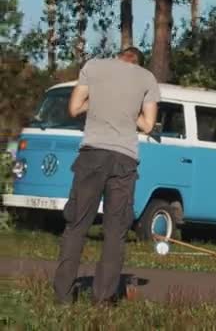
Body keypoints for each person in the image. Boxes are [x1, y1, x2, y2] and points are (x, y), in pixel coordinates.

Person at [53, 47, 160, 305]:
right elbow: (147, 124)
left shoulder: (94, 66)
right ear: (137, 62)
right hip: (124, 160)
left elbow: (74, 108)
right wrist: (128, 110)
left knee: (77, 226)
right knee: (115, 231)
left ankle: (63, 297)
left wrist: (99, 100)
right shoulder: (147, 78)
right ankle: (102, 300)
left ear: (118, 56)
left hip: (91, 156)